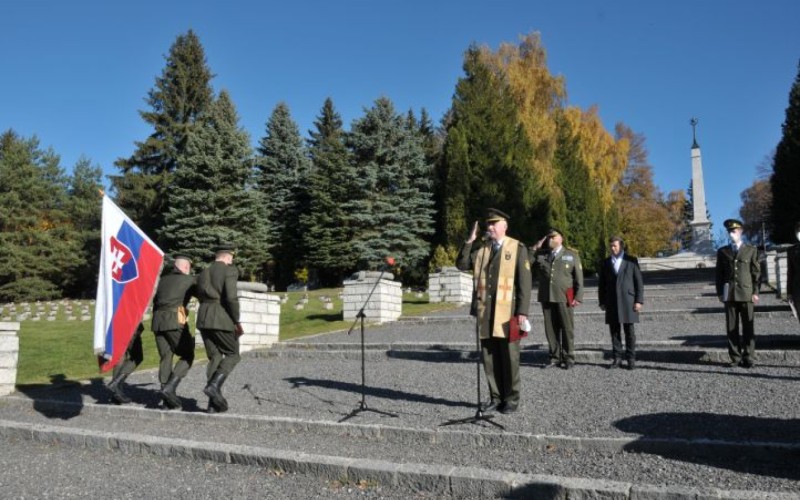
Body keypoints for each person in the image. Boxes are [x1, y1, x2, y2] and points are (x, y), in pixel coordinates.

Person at [456, 209, 532, 414]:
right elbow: (462, 264)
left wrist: (522, 311)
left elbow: (524, 283)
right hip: (486, 313)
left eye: (494, 223)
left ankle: (511, 399)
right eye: (488, 224)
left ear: (504, 226)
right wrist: (470, 240)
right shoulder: (482, 250)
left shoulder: (517, 248)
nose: (489, 227)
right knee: (489, 357)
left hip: (508, 313)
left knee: (510, 357)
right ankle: (495, 397)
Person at [195, 243, 243, 413]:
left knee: (215, 357)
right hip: (221, 317)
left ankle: (212, 404)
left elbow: (199, 295)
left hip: (203, 317)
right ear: (227, 256)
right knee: (233, 354)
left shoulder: (203, 272)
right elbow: (231, 297)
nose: (231, 260)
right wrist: (236, 319)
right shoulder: (229, 270)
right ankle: (214, 386)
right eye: (231, 257)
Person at [530, 228, 584, 369]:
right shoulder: (542, 255)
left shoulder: (571, 255)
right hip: (547, 297)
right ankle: (554, 357)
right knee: (551, 329)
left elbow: (579, 277)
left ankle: (568, 357)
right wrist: (535, 248)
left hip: (564, 297)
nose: (550, 240)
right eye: (549, 238)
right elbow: (527, 263)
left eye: (554, 237)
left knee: (567, 328)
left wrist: (578, 296)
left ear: (561, 239)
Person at [151, 254, 197, 409]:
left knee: (166, 357)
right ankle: (170, 388)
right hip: (175, 321)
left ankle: (166, 400)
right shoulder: (189, 279)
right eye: (189, 268)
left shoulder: (163, 280)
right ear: (186, 267)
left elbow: (155, 301)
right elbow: (205, 293)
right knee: (188, 354)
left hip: (157, 322)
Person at [715, 219, 760, 368]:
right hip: (729, 294)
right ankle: (735, 357)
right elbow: (719, 274)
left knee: (748, 326)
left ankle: (749, 357)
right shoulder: (722, 252)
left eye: (734, 231)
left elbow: (756, 273)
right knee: (731, 327)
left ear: (741, 232)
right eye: (729, 232)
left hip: (747, 293)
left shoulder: (751, 250)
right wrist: (720, 293)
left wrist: (756, 291)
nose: (732, 234)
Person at [597, 236, 644, 370]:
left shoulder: (631, 261)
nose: (612, 248)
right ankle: (617, 358)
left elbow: (638, 282)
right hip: (611, 301)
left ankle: (631, 358)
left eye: (615, 246)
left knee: (629, 331)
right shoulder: (606, 263)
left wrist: (639, 300)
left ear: (621, 246)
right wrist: (602, 301)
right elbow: (602, 284)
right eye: (611, 246)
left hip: (628, 300)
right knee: (614, 332)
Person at [106, 322, 144, 404]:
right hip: (130, 324)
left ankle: (116, 395)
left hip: (116, 324)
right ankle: (116, 384)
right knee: (137, 357)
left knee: (120, 357)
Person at [785, 220, 800, 327]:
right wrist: (789, 291)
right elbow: (790, 272)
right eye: (798, 231)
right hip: (797, 288)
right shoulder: (792, 250)